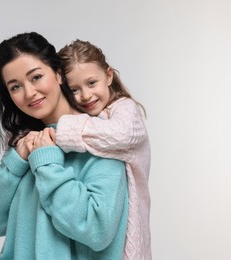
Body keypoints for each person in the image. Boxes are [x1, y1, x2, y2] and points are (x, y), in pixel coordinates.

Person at [0, 32, 130, 259]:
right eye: (15, 87)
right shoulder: (28, 143)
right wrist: (15, 164)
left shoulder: (98, 139)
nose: (29, 93)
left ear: (59, 74)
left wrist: (48, 164)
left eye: (36, 77)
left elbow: (97, 230)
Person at [56, 40, 152, 260]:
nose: (86, 95)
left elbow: (120, 135)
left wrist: (62, 129)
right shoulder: (89, 119)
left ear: (108, 76)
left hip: (129, 236)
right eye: (74, 89)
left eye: (91, 83)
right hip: (101, 234)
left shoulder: (125, 109)